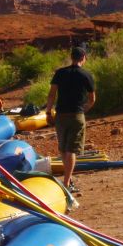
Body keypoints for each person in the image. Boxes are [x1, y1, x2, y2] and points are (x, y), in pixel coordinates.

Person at [45, 47, 96, 192]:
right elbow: (92, 99)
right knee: (71, 149)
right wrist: (83, 110)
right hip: (76, 115)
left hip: (60, 115)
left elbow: (51, 95)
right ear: (83, 58)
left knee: (63, 147)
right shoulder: (86, 75)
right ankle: (67, 183)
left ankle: (69, 180)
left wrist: (48, 112)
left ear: (71, 57)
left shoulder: (60, 73)